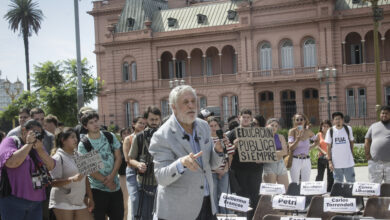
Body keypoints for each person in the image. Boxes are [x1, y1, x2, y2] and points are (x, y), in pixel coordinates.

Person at [149, 85, 225, 220]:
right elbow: (161, 177)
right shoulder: (161, 136)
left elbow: (211, 166)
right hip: (178, 211)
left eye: (193, 101)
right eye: (185, 102)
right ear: (173, 107)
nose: (191, 106)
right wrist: (181, 164)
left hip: (207, 204)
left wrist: (218, 152)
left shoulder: (204, 126)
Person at [0, 119, 55, 219]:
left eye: (39, 133)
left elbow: (51, 166)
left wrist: (40, 150)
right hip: (13, 200)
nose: (37, 136)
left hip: (36, 203)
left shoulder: (38, 147)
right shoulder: (11, 141)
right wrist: (28, 144)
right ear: (24, 130)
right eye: (35, 132)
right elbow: (12, 163)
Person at [78, 111, 124, 220]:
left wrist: (112, 177)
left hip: (115, 187)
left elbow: (118, 158)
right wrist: (107, 182)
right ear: (85, 126)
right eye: (91, 123)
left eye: (96, 121)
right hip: (97, 190)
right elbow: (89, 169)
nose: (95, 124)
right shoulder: (83, 144)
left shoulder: (109, 136)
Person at [49, 127, 94, 220]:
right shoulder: (57, 157)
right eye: (72, 137)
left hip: (79, 200)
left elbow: (85, 179)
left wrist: (90, 197)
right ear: (63, 141)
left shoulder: (80, 156)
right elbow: (52, 182)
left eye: (76, 137)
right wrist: (71, 179)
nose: (76, 139)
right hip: (62, 201)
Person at [227, 108, 262, 219]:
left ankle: (254, 217)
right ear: (239, 118)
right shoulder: (232, 133)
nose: (246, 119)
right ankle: (243, 217)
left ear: (251, 119)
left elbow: (264, 149)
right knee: (242, 196)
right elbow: (224, 152)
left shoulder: (257, 132)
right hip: (239, 170)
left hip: (255, 169)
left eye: (248, 117)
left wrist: (262, 159)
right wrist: (234, 146)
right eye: (244, 117)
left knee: (255, 195)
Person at [129, 106, 162, 220]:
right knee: (145, 216)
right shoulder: (139, 137)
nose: (154, 122)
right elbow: (130, 159)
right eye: (151, 119)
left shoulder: (166, 136)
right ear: (146, 119)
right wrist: (138, 164)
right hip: (144, 184)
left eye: (156, 119)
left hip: (162, 182)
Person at [29, 108, 55, 220]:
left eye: (42, 119)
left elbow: (52, 159)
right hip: (26, 180)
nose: (39, 121)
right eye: (36, 119)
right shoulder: (17, 134)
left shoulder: (50, 137)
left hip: (44, 179)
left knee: (45, 211)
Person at [207, 117, 234, 214]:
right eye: (211, 126)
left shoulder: (224, 138)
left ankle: (227, 216)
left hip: (224, 173)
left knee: (225, 197)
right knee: (213, 197)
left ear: (219, 126)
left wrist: (225, 170)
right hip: (211, 173)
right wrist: (217, 170)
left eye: (215, 125)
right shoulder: (206, 140)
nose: (213, 128)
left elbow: (230, 154)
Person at [123, 116, 146, 220]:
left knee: (144, 200)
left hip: (146, 172)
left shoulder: (147, 137)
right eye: (140, 123)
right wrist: (138, 165)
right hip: (132, 171)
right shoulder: (128, 139)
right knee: (134, 199)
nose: (142, 125)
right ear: (133, 124)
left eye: (144, 123)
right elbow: (127, 159)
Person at [325, 112, 355, 183]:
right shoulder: (330, 131)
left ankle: (350, 194)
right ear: (333, 121)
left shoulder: (348, 129)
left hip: (348, 162)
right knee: (338, 183)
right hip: (336, 164)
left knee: (351, 182)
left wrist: (352, 154)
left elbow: (351, 142)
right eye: (336, 119)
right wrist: (330, 162)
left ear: (343, 120)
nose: (338, 121)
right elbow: (328, 147)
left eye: (339, 119)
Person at [288, 113, 316, 183]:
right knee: (295, 183)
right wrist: (297, 140)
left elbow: (317, 141)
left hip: (306, 160)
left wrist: (310, 147)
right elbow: (291, 148)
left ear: (305, 121)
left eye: (301, 119)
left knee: (305, 183)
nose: (299, 121)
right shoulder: (292, 131)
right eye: (297, 120)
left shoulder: (308, 132)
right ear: (294, 121)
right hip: (295, 160)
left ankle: (304, 194)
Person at [365, 106, 390, 183]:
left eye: (386, 113)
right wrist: (367, 155)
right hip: (375, 162)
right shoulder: (373, 126)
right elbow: (367, 140)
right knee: (374, 186)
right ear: (380, 114)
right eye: (382, 113)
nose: (384, 115)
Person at [263, 118, 289, 190]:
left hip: (280, 163)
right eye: (272, 125)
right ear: (267, 126)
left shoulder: (280, 137)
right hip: (269, 164)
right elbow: (264, 153)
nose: (274, 127)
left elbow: (285, 152)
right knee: (270, 191)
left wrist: (271, 152)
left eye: (276, 126)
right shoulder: (263, 137)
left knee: (286, 190)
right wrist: (278, 152)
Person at [314, 120, 334, 192]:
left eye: (327, 126)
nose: (325, 128)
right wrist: (325, 153)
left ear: (330, 127)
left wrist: (329, 155)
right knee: (320, 175)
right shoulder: (318, 134)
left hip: (331, 158)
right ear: (321, 127)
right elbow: (317, 146)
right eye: (324, 126)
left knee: (330, 175)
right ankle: (317, 190)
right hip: (322, 157)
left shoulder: (332, 134)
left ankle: (329, 190)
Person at [119, 127, 132, 220]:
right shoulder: (119, 147)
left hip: (136, 176)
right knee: (124, 203)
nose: (127, 135)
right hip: (124, 177)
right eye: (124, 133)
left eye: (128, 132)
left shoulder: (135, 145)